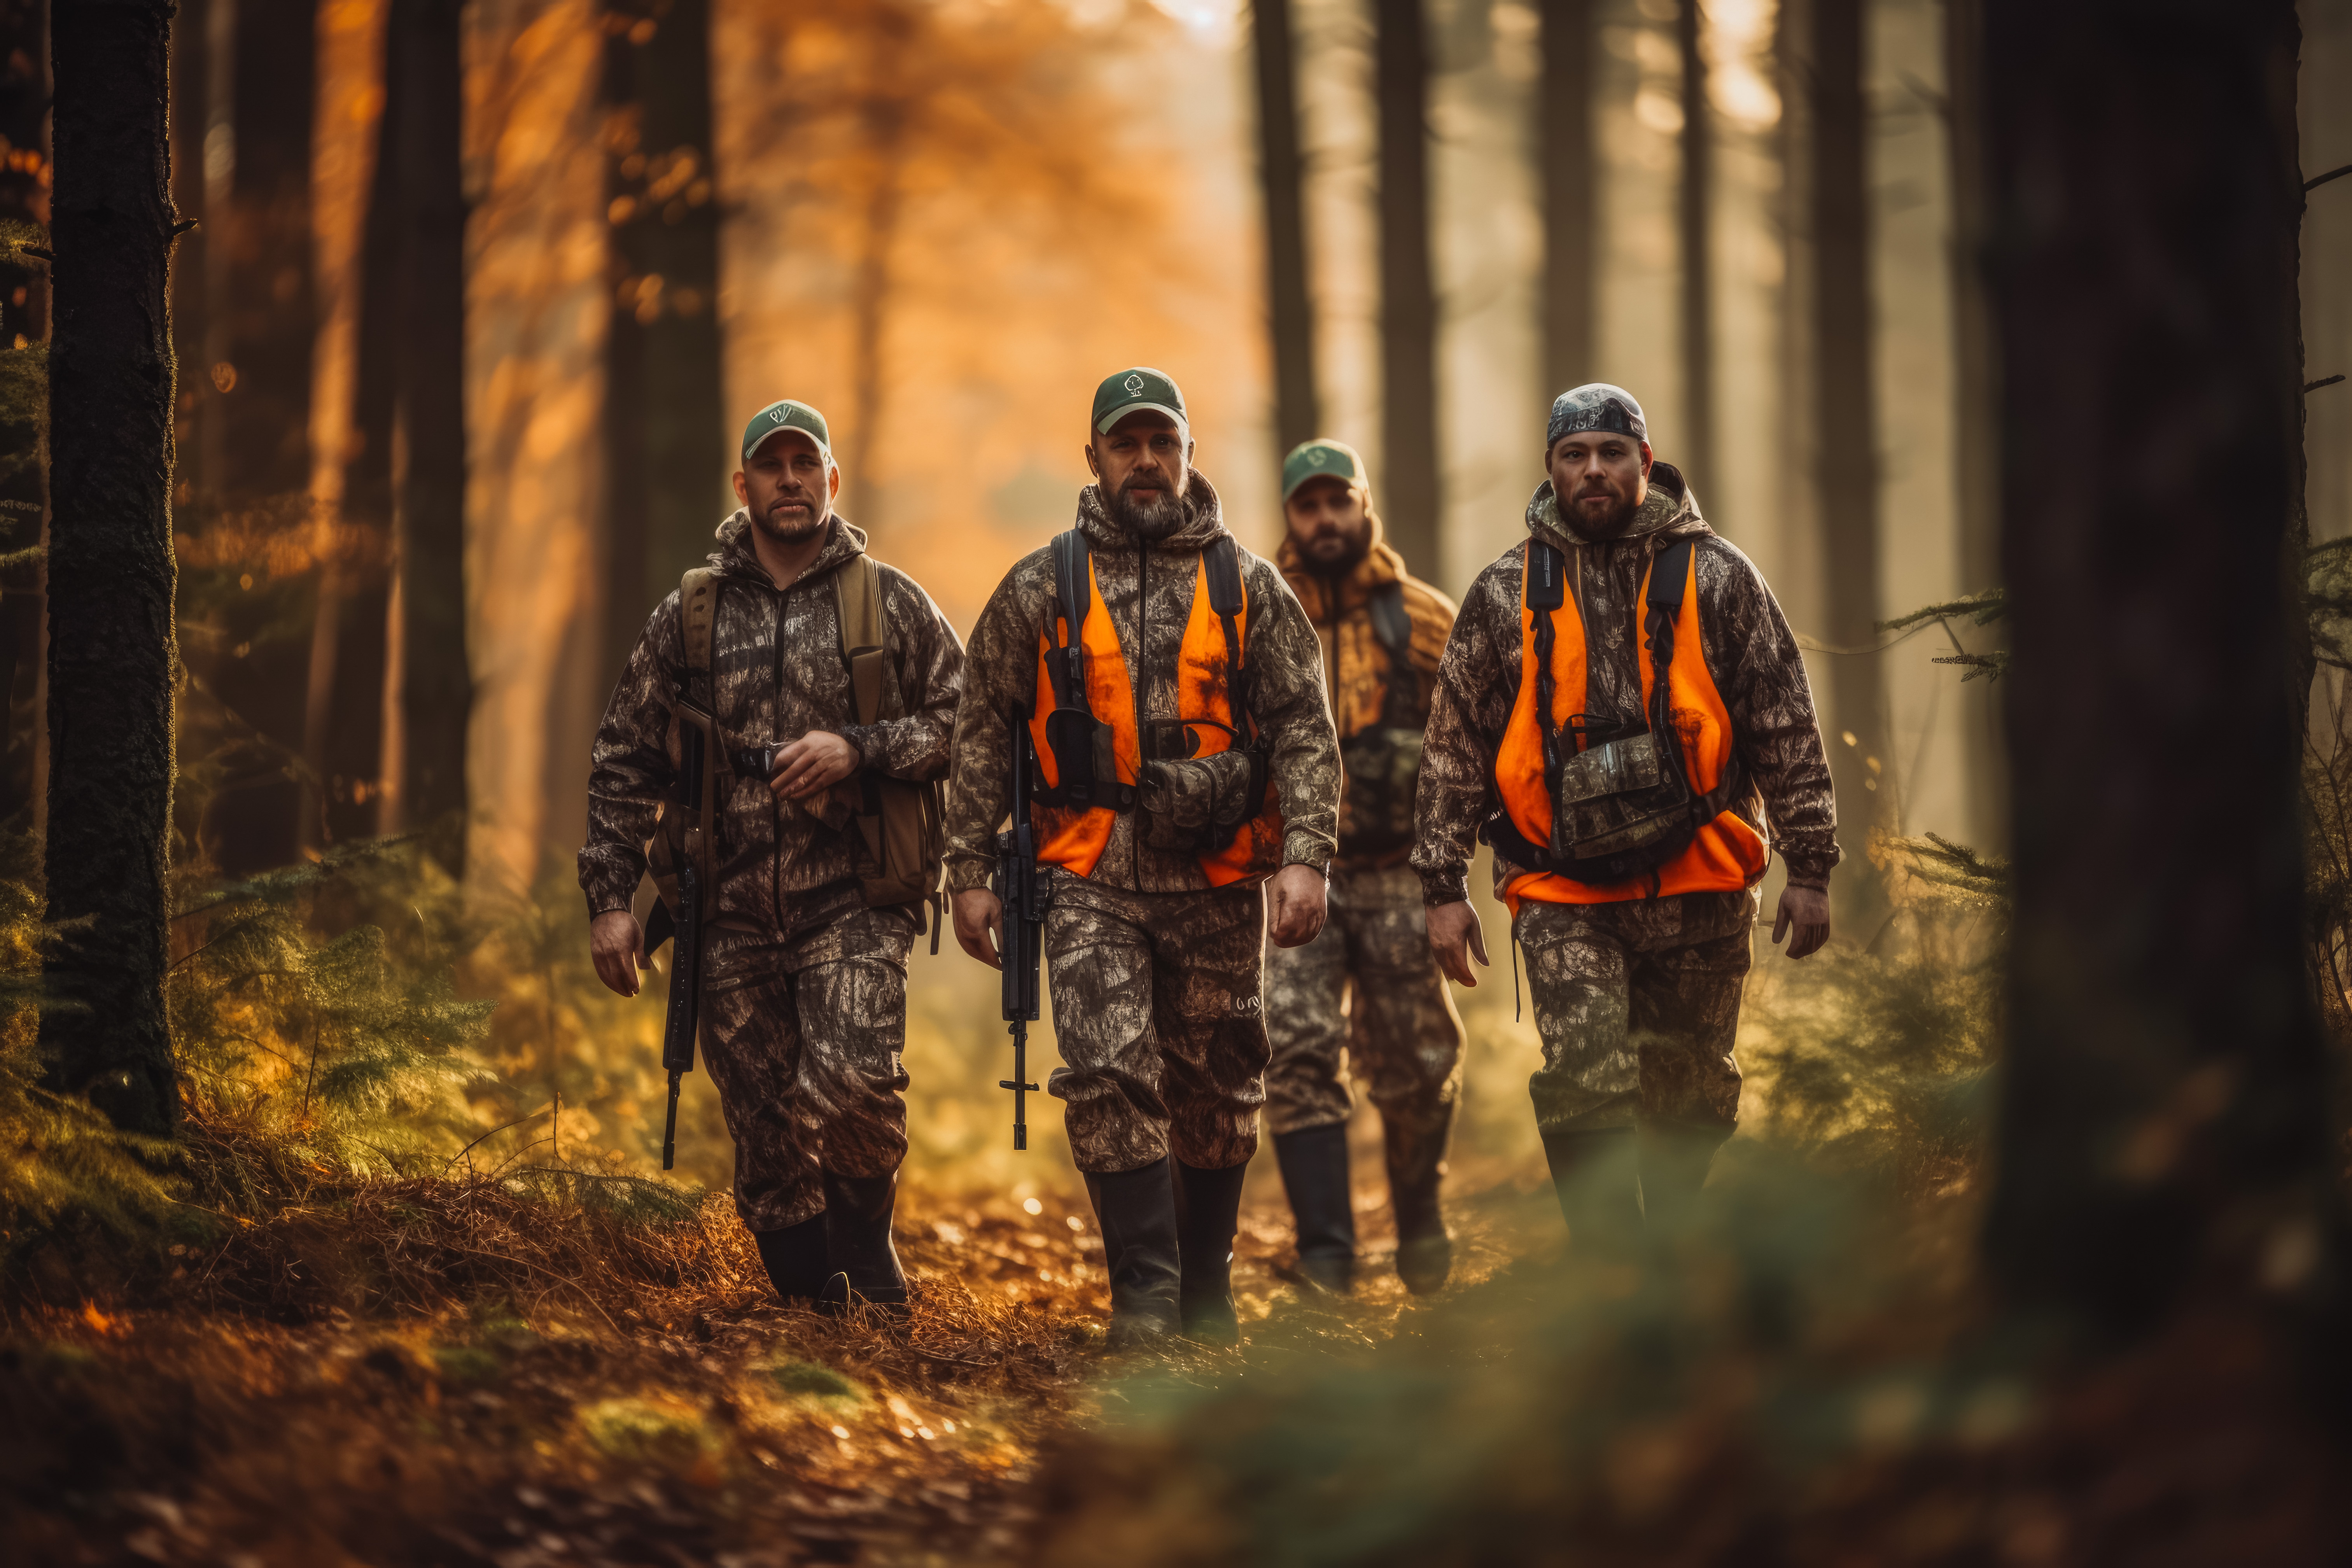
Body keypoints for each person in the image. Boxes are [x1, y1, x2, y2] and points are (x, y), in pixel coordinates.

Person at [945, 368, 1341, 1347]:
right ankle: (1147, 1300)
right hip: (1083, 877)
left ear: (1190, 455)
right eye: (1127, 444)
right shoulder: (1041, 583)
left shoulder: (1250, 585)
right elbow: (982, 730)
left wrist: (1307, 857)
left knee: (1218, 1086)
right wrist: (966, 872)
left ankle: (1206, 1285)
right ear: (1095, 459)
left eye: (1164, 441)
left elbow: (1304, 728)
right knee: (1110, 1074)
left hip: (1216, 876)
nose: (1148, 460)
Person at [1412, 383, 1836, 1246]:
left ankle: (1672, 1274)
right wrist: (1441, 886)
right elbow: (1453, 743)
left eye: (1612, 452)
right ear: (1552, 469)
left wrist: (1812, 865)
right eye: (1576, 455)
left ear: (1646, 462)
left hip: (1705, 880)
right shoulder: (1502, 593)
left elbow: (1783, 719)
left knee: (1692, 1086)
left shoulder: (1721, 576)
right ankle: (1609, 1271)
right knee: (1583, 1077)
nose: (1594, 470)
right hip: (1560, 888)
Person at [580, 398, 965, 1313]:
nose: (790, 481)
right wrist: (610, 897)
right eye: (772, 465)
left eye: (807, 465)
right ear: (744, 484)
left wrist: (858, 748)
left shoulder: (890, 601)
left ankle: (873, 1274)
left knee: (857, 1085)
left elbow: (967, 723)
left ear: (832, 480)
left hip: (856, 896)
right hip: (726, 907)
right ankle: (811, 1309)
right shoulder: (690, 614)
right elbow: (624, 755)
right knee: (763, 1131)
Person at [1261, 439, 1465, 1295]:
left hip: (1396, 874)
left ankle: (1419, 1219)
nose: (1324, 520)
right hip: (1292, 878)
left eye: (1337, 501)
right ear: (1291, 519)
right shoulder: (1259, 614)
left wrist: (1453, 861)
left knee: (1418, 1061)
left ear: (1364, 505)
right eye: (1307, 507)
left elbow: (1469, 740)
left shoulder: (1421, 617)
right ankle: (1327, 1253)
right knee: (1296, 1053)